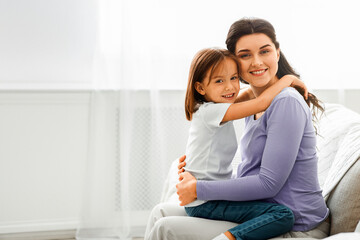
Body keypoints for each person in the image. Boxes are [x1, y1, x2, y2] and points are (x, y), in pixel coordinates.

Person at [145, 17, 329, 240]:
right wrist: (196, 164)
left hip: (292, 223)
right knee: (160, 212)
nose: (257, 62)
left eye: (264, 51)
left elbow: (268, 184)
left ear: (277, 54)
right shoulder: (248, 101)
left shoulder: (286, 102)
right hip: (256, 210)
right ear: (234, 62)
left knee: (166, 228)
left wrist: (198, 188)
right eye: (245, 55)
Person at [182, 47, 308, 240]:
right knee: (282, 215)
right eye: (219, 81)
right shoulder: (212, 112)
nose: (230, 87)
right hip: (204, 201)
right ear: (200, 88)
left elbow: (250, 94)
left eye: (233, 78)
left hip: (204, 195)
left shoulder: (216, 106)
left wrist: (261, 79)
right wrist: (287, 79)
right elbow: (261, 102)